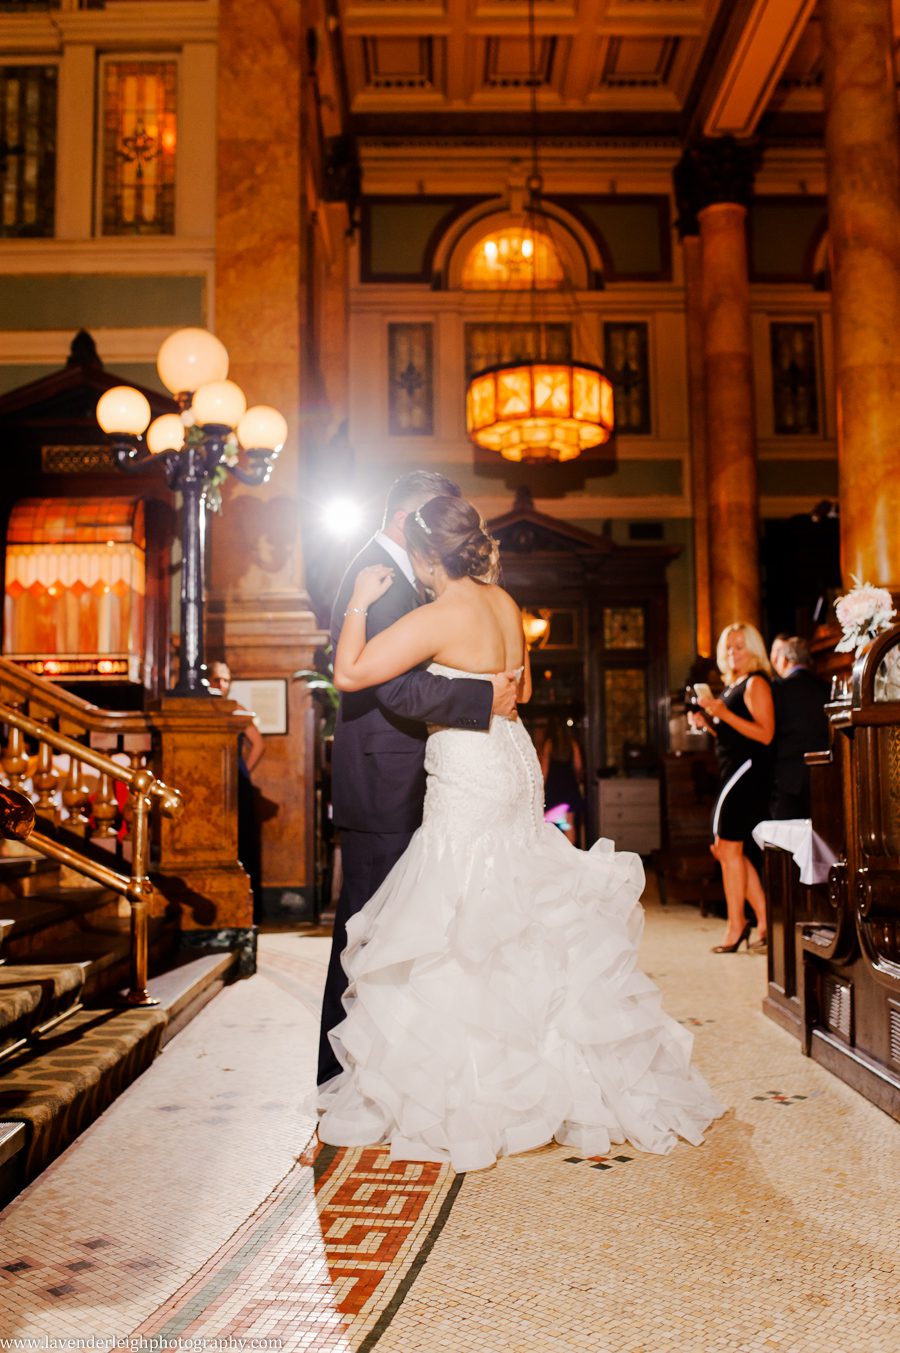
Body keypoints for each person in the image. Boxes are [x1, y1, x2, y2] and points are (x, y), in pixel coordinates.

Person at [316, 494, 724, 1172]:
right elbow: (523, 691)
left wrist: (358, 599)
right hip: (511, 758)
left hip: (470, 768)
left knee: (460, 908)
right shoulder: (505, 603)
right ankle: (552, 1070)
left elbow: (350, 673)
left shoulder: (438, 612)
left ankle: (479, 1086)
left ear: (424, 555)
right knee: (518, 903)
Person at [317, 472, 519, 1088]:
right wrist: (485, 694)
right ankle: (349, 1077)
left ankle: (410, 1073)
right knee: (373, 933)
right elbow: (394, 686)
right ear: (412, 519)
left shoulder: (425, 587)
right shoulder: (376, 577)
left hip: (443, 774)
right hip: (390, 779)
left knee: (419, 928)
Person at [695, 624, 774, 954]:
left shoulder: (755, 683)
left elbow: (765, 734)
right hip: (733, 771)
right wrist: (711, 724)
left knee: (726, 849)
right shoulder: (735, 685)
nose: (733, 653)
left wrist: (722, 712)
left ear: (754, 649)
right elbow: (734, 736)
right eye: (728, 647)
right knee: (729, 851)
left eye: (740, 646)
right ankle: (766, 921)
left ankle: (736, 924)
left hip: (747, 773)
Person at [209, 661, 265, 917]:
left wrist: (242, 771)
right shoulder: (203, 709)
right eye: (216, 679)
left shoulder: (236, 709)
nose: (222, 685)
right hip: (209, 781)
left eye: (226, 680)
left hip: (236, 779)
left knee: (242, 841)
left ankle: (248, 907)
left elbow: (258, 744)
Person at [769, 636, 829, 819]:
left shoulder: (778, 689)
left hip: (787, 779)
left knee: (785, 840)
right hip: (824, 777)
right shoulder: (827, 688)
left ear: (786, 660)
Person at [539, 715, 585, 843]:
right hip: (569, 787)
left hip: (553, 789)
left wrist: (540, 790)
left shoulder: (549, 744)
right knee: (569, 824)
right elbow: (579, 766)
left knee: (550, 825)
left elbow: (544, 770)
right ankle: (571, 857)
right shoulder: (572, 744)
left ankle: (555, 858)